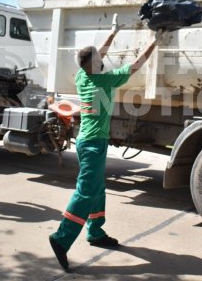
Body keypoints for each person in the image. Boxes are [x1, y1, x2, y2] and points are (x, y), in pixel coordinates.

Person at [49, 14, 163, 271]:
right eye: (100, 60)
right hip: (91, 144)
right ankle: (61, 238)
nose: (104, 60)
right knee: (86, 192)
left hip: (89, 141)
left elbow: (93, 54)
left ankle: (96, 233)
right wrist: (155, 41)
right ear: (94, 65)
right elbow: (135, 65)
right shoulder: (104, 80)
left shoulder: (82, 76)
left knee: (97, 188)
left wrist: (112, 33)